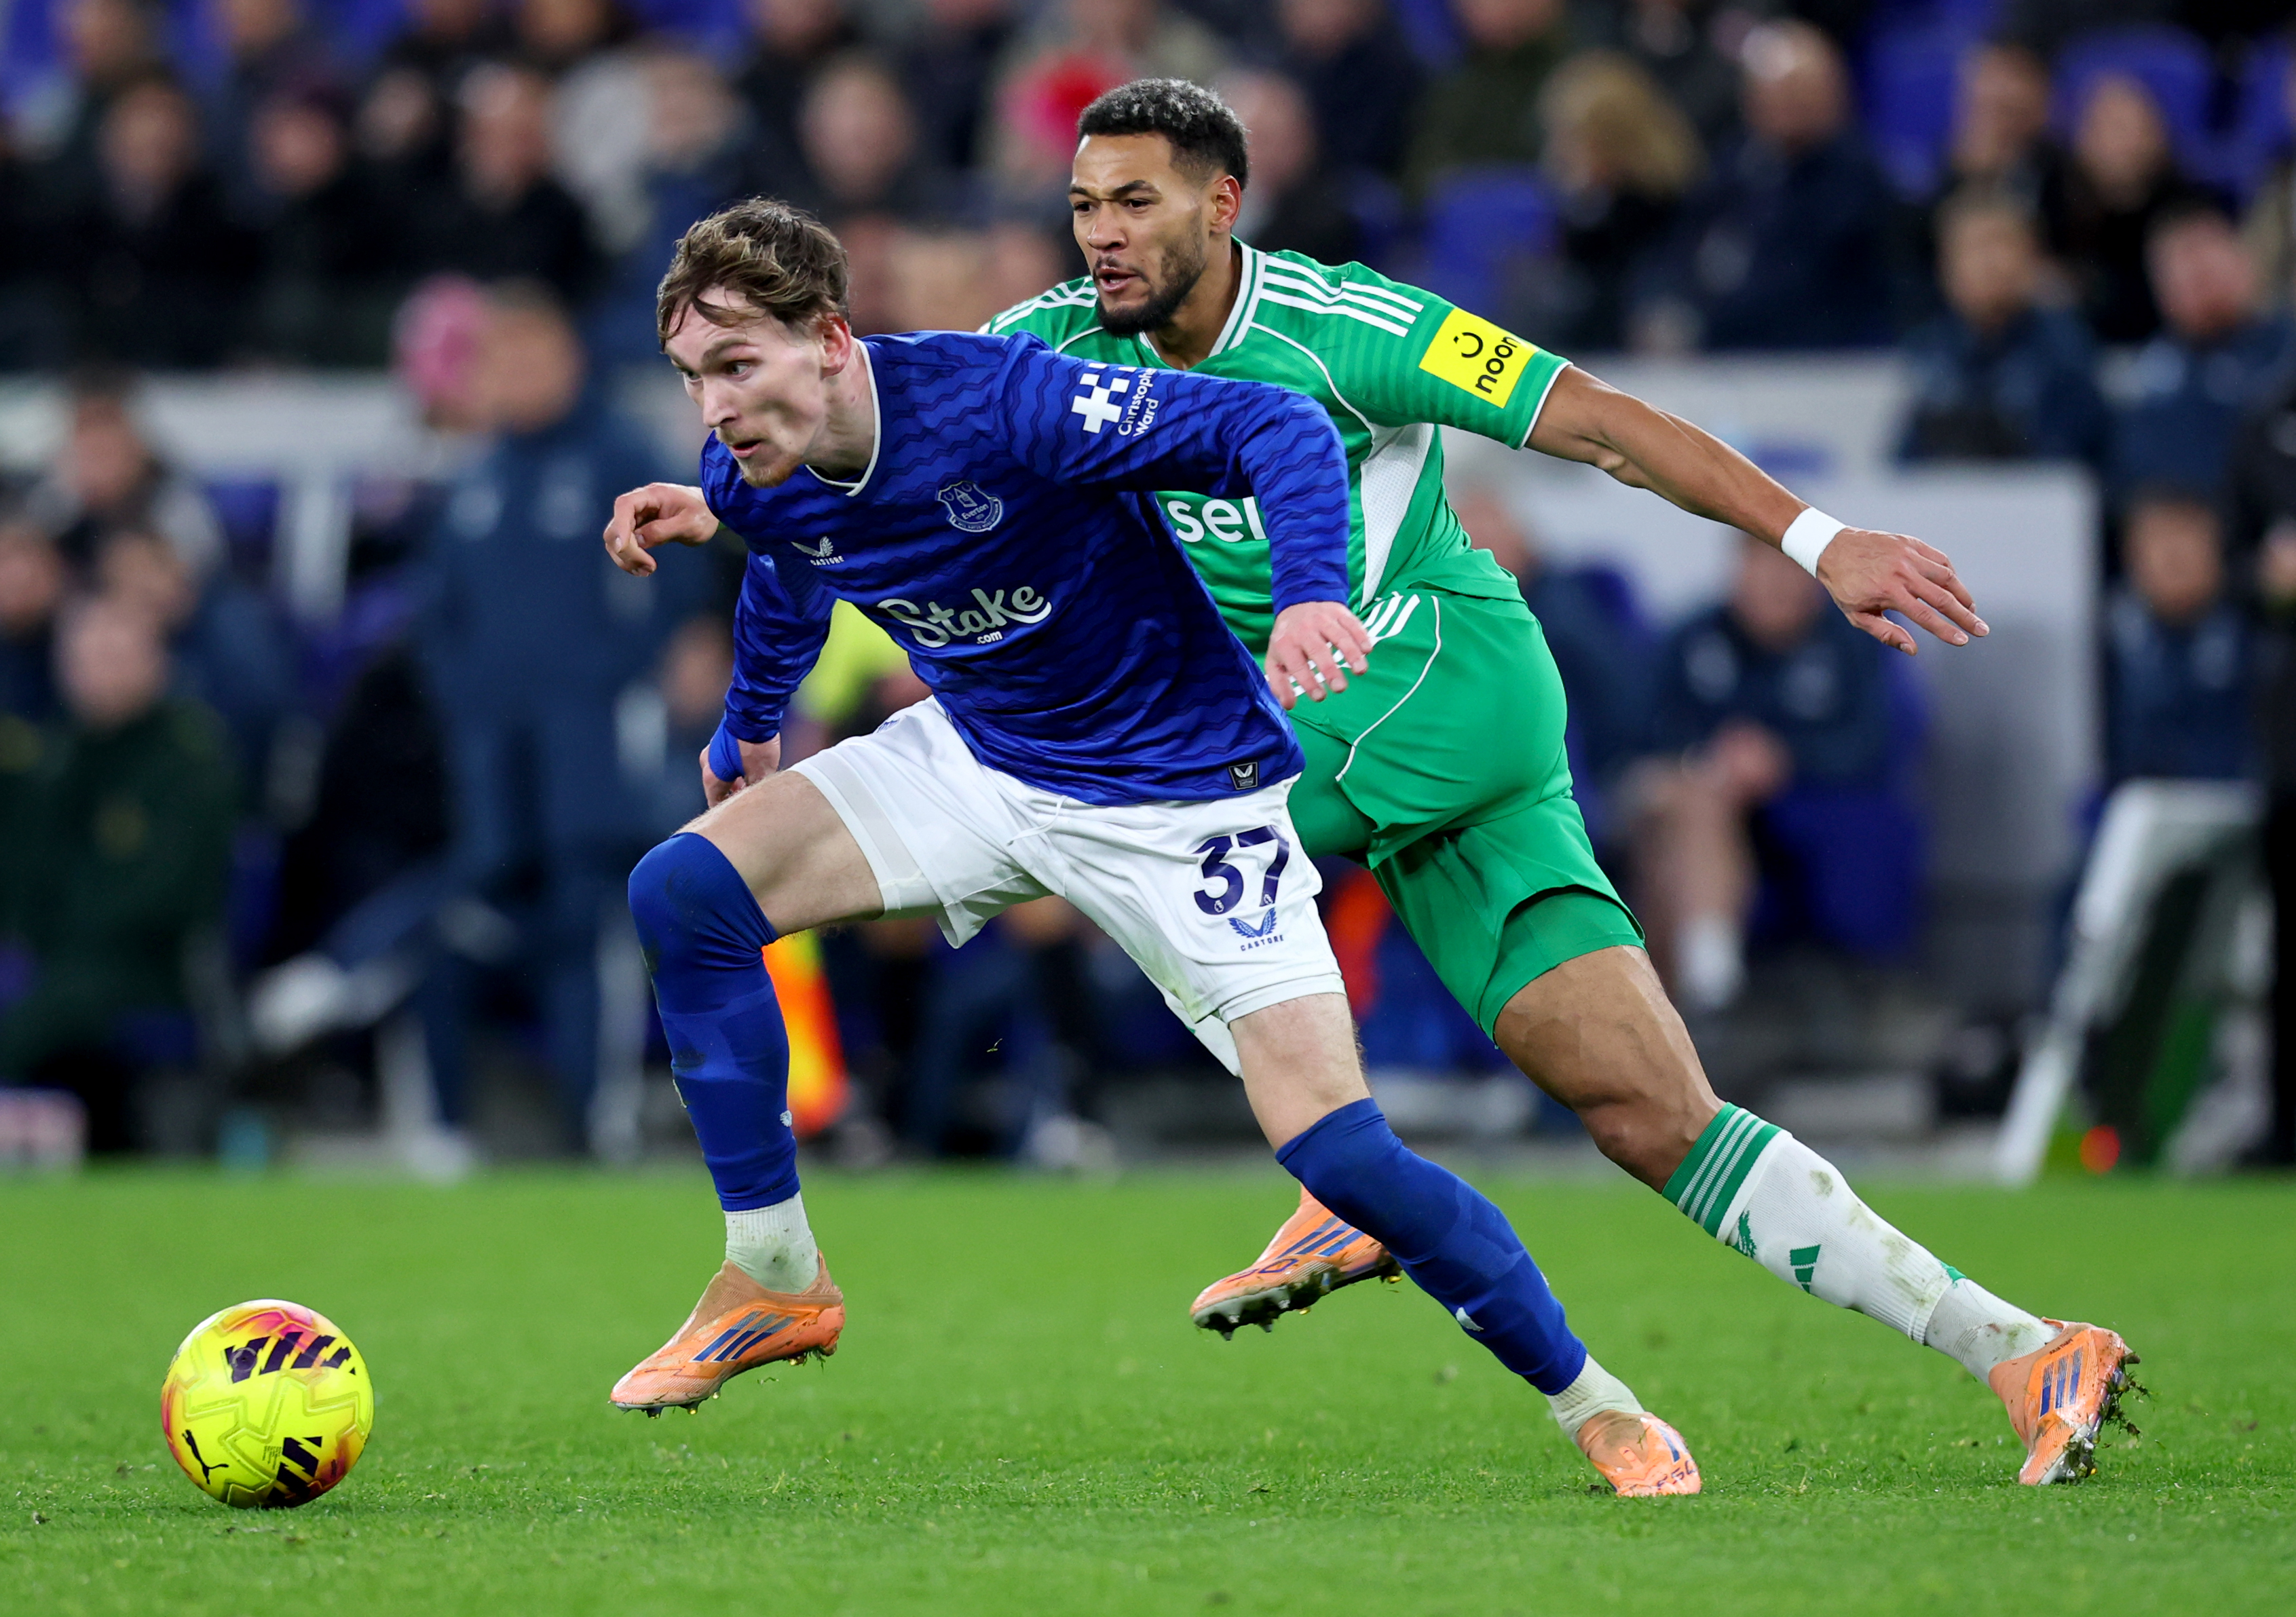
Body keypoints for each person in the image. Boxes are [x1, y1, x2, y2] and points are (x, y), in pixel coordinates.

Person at [985, 77, 2133, 1487]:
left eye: (1135, 203)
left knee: (1138, 824)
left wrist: (1814, 539)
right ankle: (2020, 1346)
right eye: (1083, 205)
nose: (1099, 234)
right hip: (1397, 763)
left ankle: (1337, 1167)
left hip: (1429, 684)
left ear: (1222, 205)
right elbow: (891, 426)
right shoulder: (1045, 349)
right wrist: (736, 489)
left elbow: (1594, 420)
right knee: (1652, 1116)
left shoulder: (1344, 328)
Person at [602, 197, 1697, 1499]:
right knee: (684, 890)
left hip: (1182, 796)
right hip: (984, 754)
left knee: (1340, 1154)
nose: (714, 407)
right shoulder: (748, 467)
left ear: (833, 340)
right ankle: (773, 1276)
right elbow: (793, 557)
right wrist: (747, 730)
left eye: (737, 366)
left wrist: (1305, 595)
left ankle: (1598, 1403)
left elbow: (1273, 424)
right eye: (691, 377)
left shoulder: (1000, 399)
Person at [420, 282, 697, 1148]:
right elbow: (436, 614)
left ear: (572, 360)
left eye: (532, 355)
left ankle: (595, 1122)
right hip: (496, 759)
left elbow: (680, 592)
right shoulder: (476, 480)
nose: (515, 376)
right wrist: (467, 696)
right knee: (473, 925)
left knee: (591, 930)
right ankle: (451, 1129)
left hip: (593, 750)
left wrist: (633, 670)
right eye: (498, 360)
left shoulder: (622, 457)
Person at [1634, 535, 1923, 1009]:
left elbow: (1878, 738)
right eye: (1760, 566)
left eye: (1788, 570)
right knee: (1677, 802)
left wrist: (1782, 758)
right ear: (1736, 570)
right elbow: (1644, 729)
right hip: (1704, 795)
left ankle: (1682, 1000)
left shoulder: (1857, 638)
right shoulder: (1692, 637)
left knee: (1687, 816)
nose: (1774, 584)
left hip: (1812, 803)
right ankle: (1703, 983)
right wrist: (1716, 758)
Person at [0, 594, 236, 1152]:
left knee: (42, 1009)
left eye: (115, 655)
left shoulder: (189, 759)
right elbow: (22, 878)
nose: (97, 672)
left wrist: (61, 926)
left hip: (143, 967)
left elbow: (170, 891)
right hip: (51, 958)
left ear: (157, 662)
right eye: (85, 657)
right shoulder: (54, 759)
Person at [1661, 20, 1889, 351]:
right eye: (1774, 94)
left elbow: (1800, 283)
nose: (1786, 108)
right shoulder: (1732, 168)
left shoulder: (1856, 181)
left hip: (1814, 358)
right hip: (1723, 356)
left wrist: (1710, 318)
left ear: (1833, 94)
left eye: (1798, 93)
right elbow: (1682, 245)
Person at [1896, 188, 2107, 466]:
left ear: (2032, 256)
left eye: (2000, 243)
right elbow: (1904, 467)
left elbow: (2068, 458)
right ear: (1945, 267)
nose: (1988, 262)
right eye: (1971, 248)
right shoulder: (1928, 350)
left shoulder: (2065, 348)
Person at [2110, 204, 2296, 499]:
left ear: (2246, 262)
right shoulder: (2150, 382)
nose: (2200, 276)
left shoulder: (2288, 347)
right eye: (2183, 264)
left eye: (2208, 257)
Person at [2104, 489, 2251, 785]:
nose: (2175, 558)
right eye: (2160, 541)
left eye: (2189, 540)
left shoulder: (2255, 643)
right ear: (2130, 554)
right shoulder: (2099, 645)